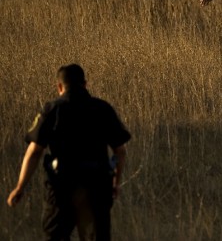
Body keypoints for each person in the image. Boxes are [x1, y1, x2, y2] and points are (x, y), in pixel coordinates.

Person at [7, 64, 131, 240]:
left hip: (61, 189)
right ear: (85, 84)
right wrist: (115, 183)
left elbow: (34, 152)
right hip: (96, 188)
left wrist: (20, 187)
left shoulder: (52, 109)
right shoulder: (103, 108)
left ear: (59, 86)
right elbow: (120, 151)